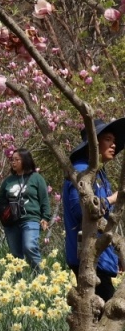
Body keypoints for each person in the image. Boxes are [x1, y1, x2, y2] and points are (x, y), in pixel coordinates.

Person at [63, 119, 125, 302]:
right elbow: (81, 212)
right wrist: (112, 199)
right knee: (101, 316)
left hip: (100, 256)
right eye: (108, 139)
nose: (113, 144)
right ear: (94, 142)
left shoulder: (100, 174)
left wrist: (116, 252)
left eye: (114, 140)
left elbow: (103, 220)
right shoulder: (81, 171)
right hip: (88, 256)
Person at [0, 149, 51, 273]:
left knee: (29, 247)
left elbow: (44, 200)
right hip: (11, 222)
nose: (13, 162)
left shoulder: (37, 178)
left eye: (17, 160)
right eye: (12, 160)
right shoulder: (8, 181)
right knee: (16, 255)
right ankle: (19, 284)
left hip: (31, 219)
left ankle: (40, 277)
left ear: (26, 161)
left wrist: (45, 217)